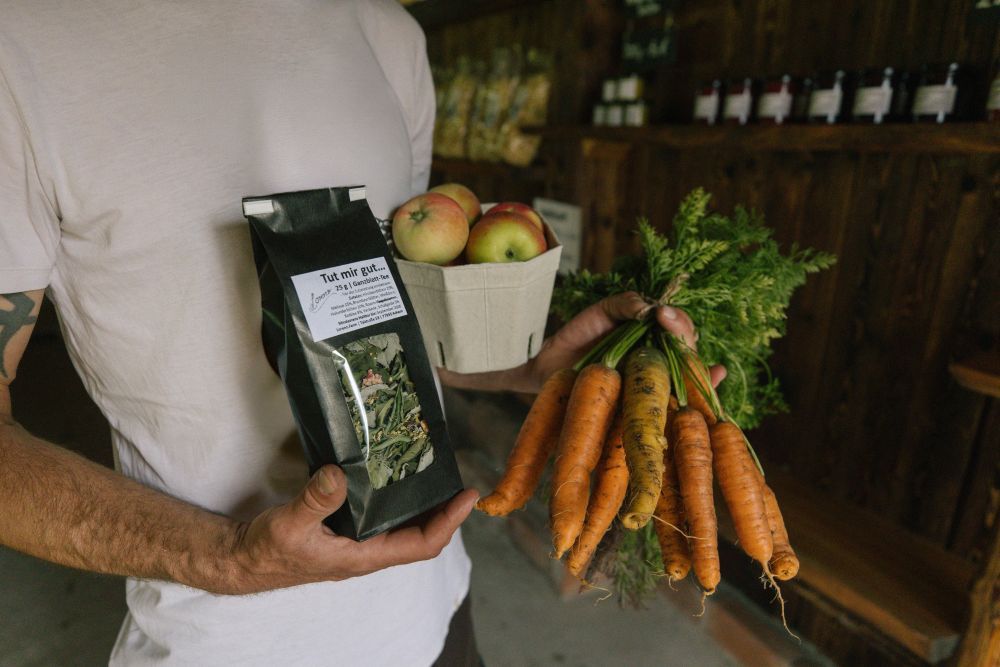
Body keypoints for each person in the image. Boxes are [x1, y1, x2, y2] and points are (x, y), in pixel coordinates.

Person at [0, 1, 720, 664]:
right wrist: (225, 557)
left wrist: (524, 366)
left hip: (436, 611)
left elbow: (388, 327)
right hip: (227, 641)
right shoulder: (23, 44)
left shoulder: (387, 35)